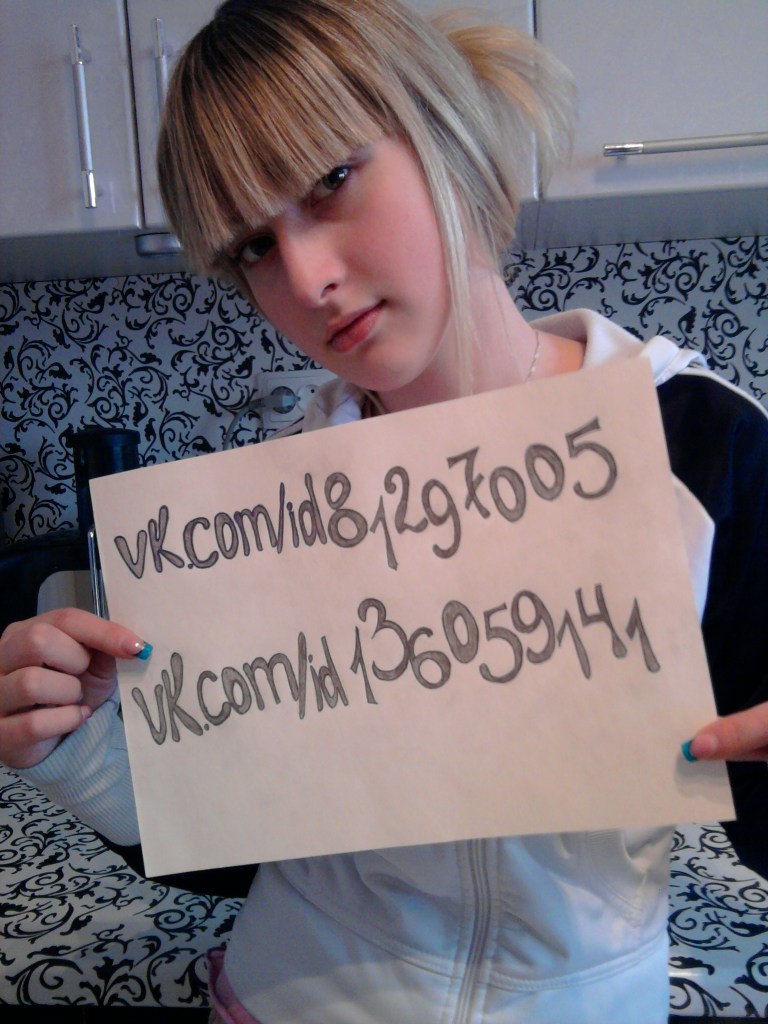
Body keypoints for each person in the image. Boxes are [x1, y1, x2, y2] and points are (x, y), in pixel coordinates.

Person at [1, 1, 767, 1021]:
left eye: (330, 180)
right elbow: (239, 840)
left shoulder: (702, 449)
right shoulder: (267, 508)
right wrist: (78, 745)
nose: (306, 277)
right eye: (252, 247)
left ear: (442, 130)